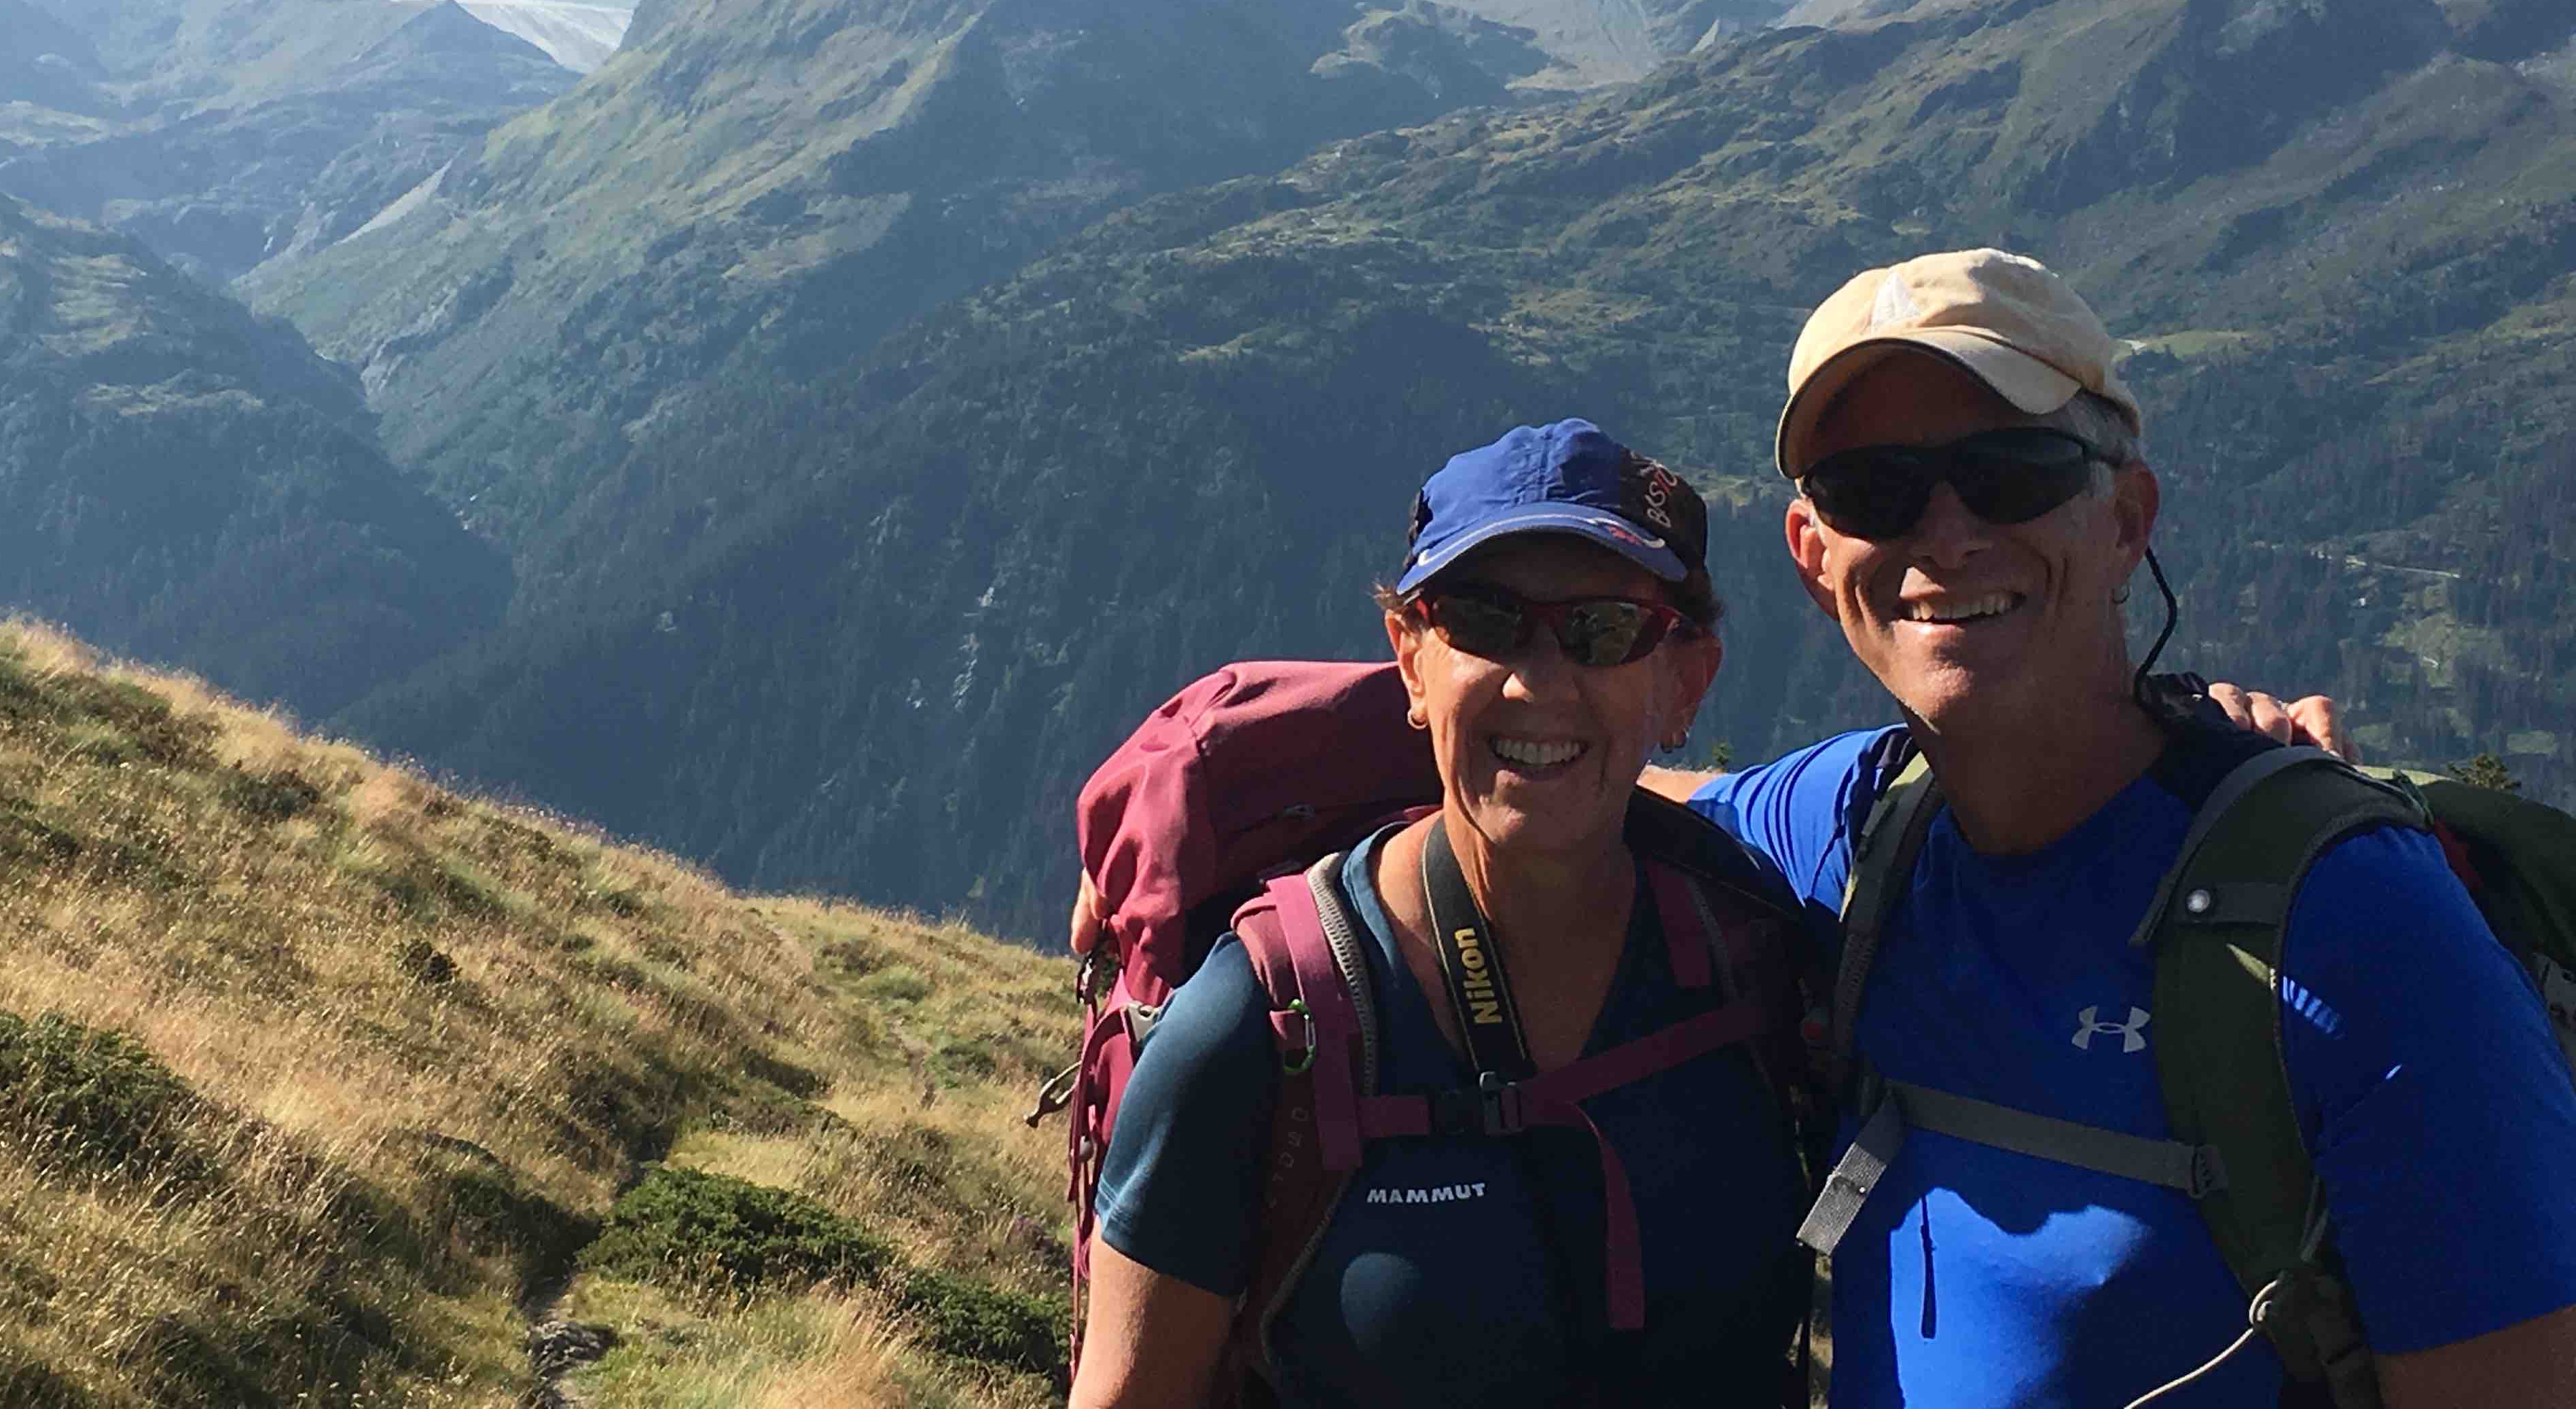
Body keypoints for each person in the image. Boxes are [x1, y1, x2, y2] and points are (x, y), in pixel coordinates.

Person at [1692, 246, 2576, 1407]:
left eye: (2010, 472)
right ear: (1815, 558)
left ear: (2127, 520)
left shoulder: (2353, 925)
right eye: (1873, 489)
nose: (1946, 534)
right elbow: (1611, 798)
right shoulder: (1855, 826)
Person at [1072, 420, 1809, 1408]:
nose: (1537, 680)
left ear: (1686, 683)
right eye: (1484, 620)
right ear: (1412, 663)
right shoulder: (1267, 1024)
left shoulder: (1760, 963)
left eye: (1602, 629)